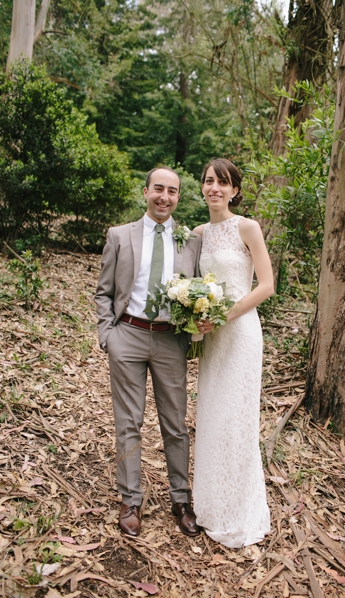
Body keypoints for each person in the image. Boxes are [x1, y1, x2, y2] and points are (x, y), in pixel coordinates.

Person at [95, 167, 203, 538]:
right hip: (128, 335)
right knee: (129, 423)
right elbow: (103, 291)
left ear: (177, 197)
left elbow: (200, 293)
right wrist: (107, 333)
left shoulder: (190, 241)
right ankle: (130, 499)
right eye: (159, 189)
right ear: (146, 192)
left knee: (175, 424)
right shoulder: (120, 236)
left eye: (172, 191)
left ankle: (181, 499)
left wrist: (192, 334)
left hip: (171, 341)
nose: (165, 197)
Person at [191, 158, 274, 547]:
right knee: (210, 412)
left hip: (240, 333)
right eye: (209, 181)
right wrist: (195, 317)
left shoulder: (247, 227)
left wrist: (226, 313)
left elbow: (266, 285)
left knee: (235, 415)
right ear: (202, 186)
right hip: (211, 336)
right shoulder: (197, 233)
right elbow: (189, 285)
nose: (215, 188)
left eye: (223, 182)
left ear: (235, 190)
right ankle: (208, 504)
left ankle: (237, 509)